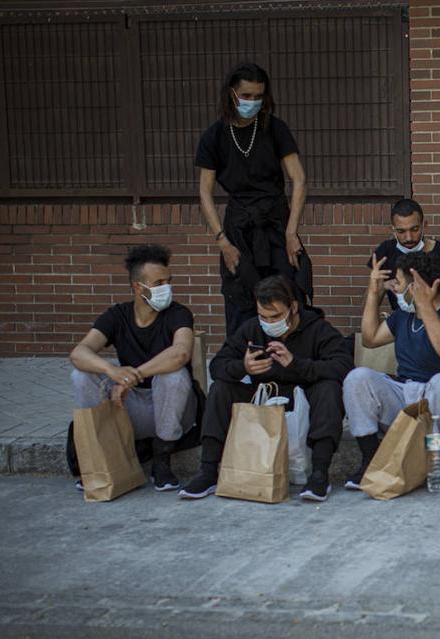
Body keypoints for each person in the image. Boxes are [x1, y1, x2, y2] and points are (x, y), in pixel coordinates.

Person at [178, 276, 351, 503]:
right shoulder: (251, 328)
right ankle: (208, 470)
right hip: (264, 396)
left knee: (329, 389)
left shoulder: (318, 329)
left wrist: (295, 364)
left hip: (304, 397)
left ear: (294, 307)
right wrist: (244, 367)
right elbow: (219, 365)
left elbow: (343, 366)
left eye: (276, 316)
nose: (269, 322)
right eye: (264, 316)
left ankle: (320, 473)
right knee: (221, 388)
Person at [342, 248, 440, 492]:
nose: (394, 287)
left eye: (400, 282)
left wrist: (425, 305)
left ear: (418, 286)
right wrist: (374, 294)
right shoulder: (402, 316)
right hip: (407, 397)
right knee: (357, 377)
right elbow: (370, 339)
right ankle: (370, 460)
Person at [69, 245, 200, 492]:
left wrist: (132, 376)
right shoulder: (118, 315)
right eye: (159, 282)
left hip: (173, 410)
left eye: (168, 281)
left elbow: (181, 352)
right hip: (128, 406)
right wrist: (112, 371)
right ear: (139, 287)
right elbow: (79, 353)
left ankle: (162, 462)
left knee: (173, 375)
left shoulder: (178, 313)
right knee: (81, 374)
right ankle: (100, 461)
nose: (167, 288)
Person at [197, 61, 313, 335]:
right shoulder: (214, 136)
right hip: (238, 227)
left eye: (259, 96)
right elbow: (205, 192)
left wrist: (292, 231)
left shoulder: (276, 128)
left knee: (289, 288)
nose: (253, 101)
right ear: (232, 94)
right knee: (241, 297)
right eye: (246, 96)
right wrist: (222, 240)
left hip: (276, 221)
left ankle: (293, 360)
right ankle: (245, 368)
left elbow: (299, 179)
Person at [367, 197, 440, 321]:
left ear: (424, 225)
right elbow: (366, 311)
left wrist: (427, 312)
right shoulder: (385, 251)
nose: (409, 237)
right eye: (401, 231)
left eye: (414, 229)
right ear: (392, 230)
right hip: (403, 328)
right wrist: (377, 287)